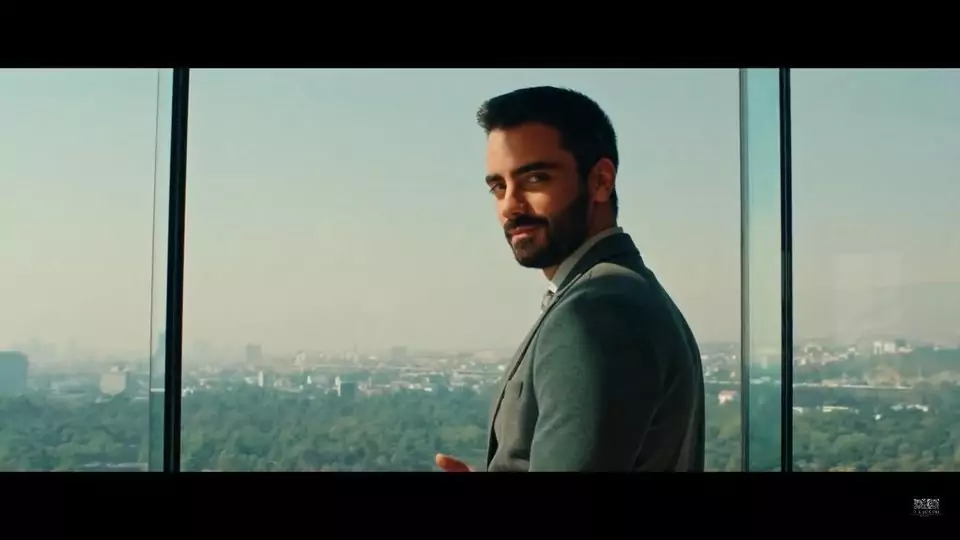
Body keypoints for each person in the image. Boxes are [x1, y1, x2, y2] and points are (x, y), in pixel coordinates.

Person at [436, 86, 705, 472]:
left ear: (601, 181)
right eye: (498, 186)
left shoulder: (598, 311)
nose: (510, 205)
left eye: (535, 178)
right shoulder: (625, 292)